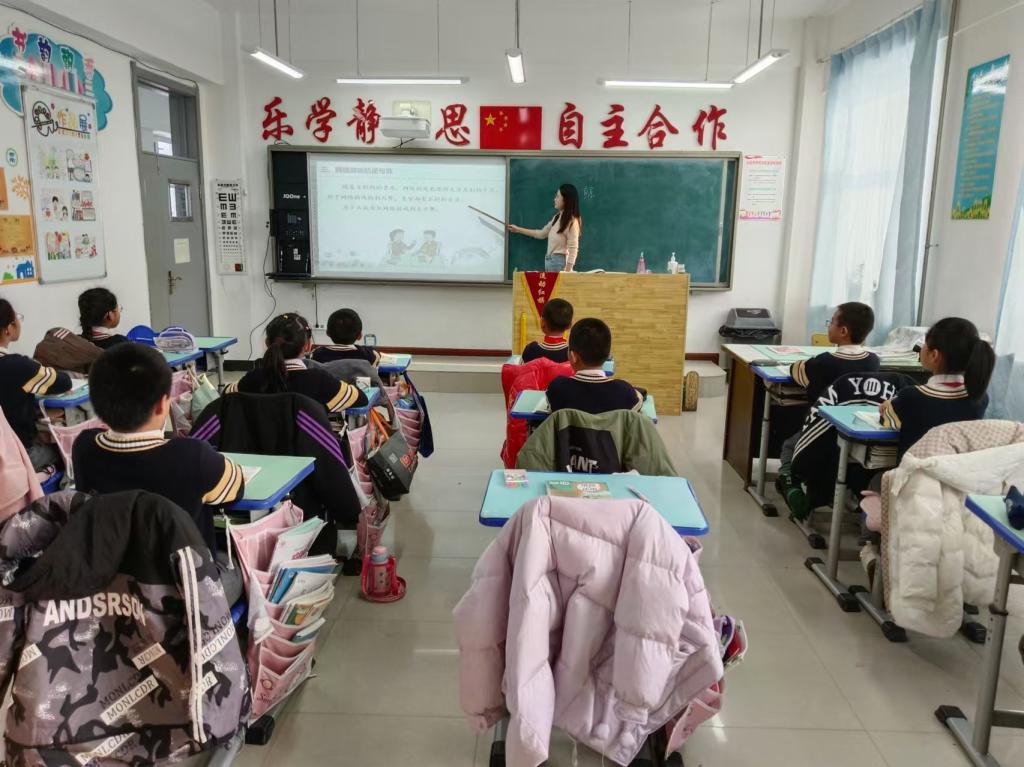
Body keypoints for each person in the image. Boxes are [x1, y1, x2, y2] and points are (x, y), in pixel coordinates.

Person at [72, 343, 245, 602]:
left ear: (96, 404)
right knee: (236, 564)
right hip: (184, 594)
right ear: (162, 405)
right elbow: (236, 488)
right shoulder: (192, 455)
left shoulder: (84, 447)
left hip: (114, 587)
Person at [775, 302, 881, 515]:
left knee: (789, 445)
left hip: (821, 434)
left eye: (831, 322)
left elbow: (797, 371)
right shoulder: (873, 361)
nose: (828, 326)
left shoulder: (823, 362)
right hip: (857, 433)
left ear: (843, 331)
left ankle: (791, 484)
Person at [880, 317, 995, 458]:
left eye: (924, 343)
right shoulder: (980, 398)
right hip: (954, 471)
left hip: (914, 471)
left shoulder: (911, 396)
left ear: (934, 355)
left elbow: (886, 422)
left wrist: (887, 406)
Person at [229, 313, 367, 415]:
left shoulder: (252, 379)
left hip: (256, 446)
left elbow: (226, 394)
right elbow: (360, 399)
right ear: (307, 345)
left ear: (267, 344)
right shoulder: (320, 381)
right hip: (309, 445)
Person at [0, 298, 72, 470]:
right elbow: (63, 382)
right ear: (9, 328)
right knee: (67, 451)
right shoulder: (17, 366)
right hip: (17, 457)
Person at [546, 318, 644, 414]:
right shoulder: (625, 392)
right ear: (607, 355)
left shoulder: (557, 388)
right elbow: (638, 402)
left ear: (573, 356)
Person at [507, 184, 582, 272]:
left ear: (566, 200)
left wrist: (567, 272)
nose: (555, 199)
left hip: (559, 264)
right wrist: (518, 229)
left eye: (558, 196)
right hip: (550, 262)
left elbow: (573, 248)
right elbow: (541, 234)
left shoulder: (572, 221)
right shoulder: (557, 217)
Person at [311, 308, 381, 366]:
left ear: (327, 333)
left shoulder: (317, 354)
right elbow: (376, 354)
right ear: (360, 336)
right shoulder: (370, 355)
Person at [522, 298, 574, 364]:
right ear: (569, 325)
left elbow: (521, 370)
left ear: (543, 322)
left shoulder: (531, 350)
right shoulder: (573, 355)